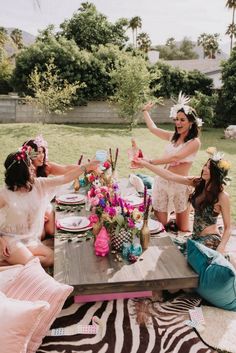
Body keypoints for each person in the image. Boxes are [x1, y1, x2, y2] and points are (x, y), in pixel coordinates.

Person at [0, 146, 99, 267]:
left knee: (51, 258)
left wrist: (86, 167)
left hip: (30, 240)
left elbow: (65, 178)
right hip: (10, 240)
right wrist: (1, 240)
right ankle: (18, 261)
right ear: (21, 171)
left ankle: (11, 263)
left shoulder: (38, 184)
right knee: (33, 263)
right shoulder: (4, 195)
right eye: (29, 165)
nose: (32, 167)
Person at [133, 148, 231, 254]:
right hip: (195, 238)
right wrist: (144, 163)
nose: (205, 169)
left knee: (181, 257)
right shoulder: (199, 183)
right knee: (168, 247)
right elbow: (170, 176)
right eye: (205, 166)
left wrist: (221, 247)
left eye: (209, 168)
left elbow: (228, 227)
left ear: (216, 173)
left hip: (210, 240)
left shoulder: (222, 196)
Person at [142, 92, 202, 231]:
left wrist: (150, 161)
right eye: (176, 119)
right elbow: (153, 129)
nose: (177, 123)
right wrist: (145, 111)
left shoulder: (195, 142)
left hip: (180, 185)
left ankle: (180, 216)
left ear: (191, 123)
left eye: (182, 120)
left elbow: (175, 158)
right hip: (162, 182)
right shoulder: (172, 137)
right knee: (161, 225)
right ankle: (169, 219)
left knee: (183, 229)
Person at [23, 136, 80, 238]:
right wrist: (37, 214)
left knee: (51, 230)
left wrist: (88, 167)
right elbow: (21, 198)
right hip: (28, 207)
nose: (41, 156)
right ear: (29, 155)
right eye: (37, 153)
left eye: (42, 152)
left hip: (44, 202)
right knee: (41, 235)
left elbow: (66, 169)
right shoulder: (23, 172)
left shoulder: (46, 167)